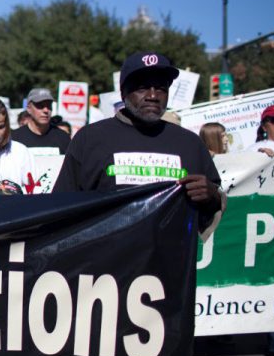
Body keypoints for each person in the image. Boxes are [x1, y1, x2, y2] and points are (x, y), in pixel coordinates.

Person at [52, 51, 224, 235]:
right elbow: (60, 208)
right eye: (142, 88)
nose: (153, 96)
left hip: (171, 253)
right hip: (106, 253)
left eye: (161, 88)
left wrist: (212, 198)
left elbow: (212, 210)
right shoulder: (89, 139)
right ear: (123, 92)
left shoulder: (190, 143)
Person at [11, 88, 70, 154]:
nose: (46, 110)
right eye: (40, 106)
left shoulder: (63, 137)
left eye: (49, 105)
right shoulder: (15, 139)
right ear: (29, 109)